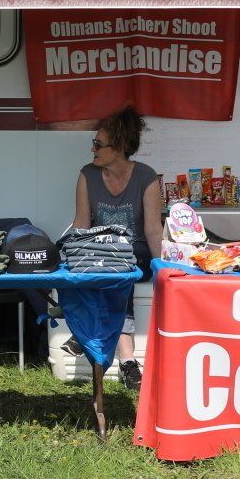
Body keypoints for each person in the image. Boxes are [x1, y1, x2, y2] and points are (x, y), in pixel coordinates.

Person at [73, 104, 162, 389]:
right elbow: (81, 226)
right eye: (94, 143)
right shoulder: (87, 175)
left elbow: (152, 230)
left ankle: (91, 335)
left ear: (120, 147)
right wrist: (75, 258)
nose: (93, 150)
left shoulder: (147, 177)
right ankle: (127, 362)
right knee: (111, 273)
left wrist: (164, 270)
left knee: (122, 272)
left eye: (99, 145)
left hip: (137, 256)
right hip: (102, 254)